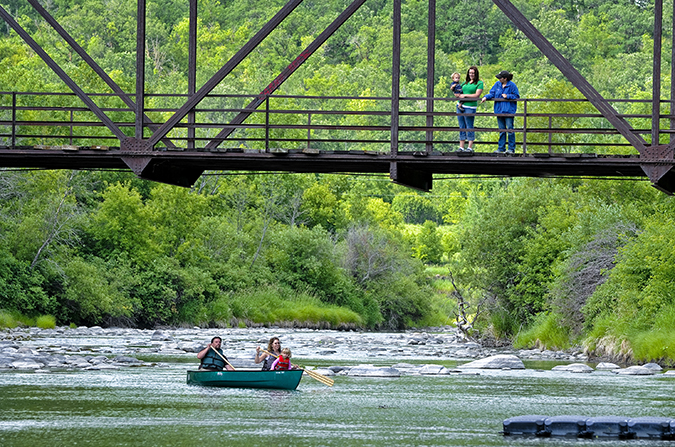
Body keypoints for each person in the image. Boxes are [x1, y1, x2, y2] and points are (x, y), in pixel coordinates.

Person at [481, 70, 520, 154]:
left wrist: (508, 96)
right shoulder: (497, 84)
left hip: (509, 111)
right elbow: (492, 93)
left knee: (510, 130)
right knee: (502, 130)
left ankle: (511, 149)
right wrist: (485, 97)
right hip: (499, 110)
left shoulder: (512, 85)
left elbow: (517, 96)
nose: (499, 79)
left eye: (500, 78)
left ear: (505, 78)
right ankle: (501, 148)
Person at [455, 66, 484, 153]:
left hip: (470, 106)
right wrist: (457, 93)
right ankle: (461, 147)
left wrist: (465, 96)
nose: (471, 74)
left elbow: (477, 95)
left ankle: (470, 147)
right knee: (461, 126)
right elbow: (460, 91)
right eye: (470, 73)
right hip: (460, 105)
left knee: (469, 125)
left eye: (473, 73)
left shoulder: (479, 83)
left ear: (476, 74)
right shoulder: (465, 82)